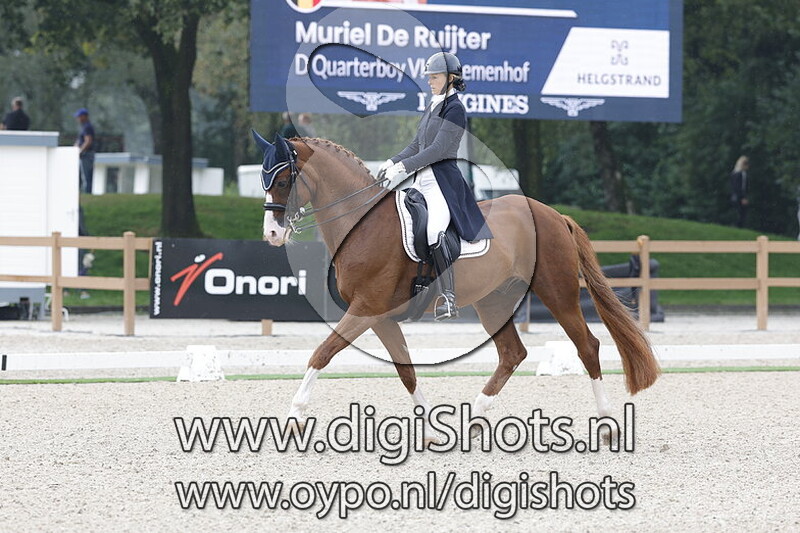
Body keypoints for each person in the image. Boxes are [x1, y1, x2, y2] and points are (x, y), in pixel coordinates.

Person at [378, 52, 493, 320]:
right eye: (429, 77)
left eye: (435, 77)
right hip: (421, 181)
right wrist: (392, 161)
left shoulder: (455, 109)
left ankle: (448, 297)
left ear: (451, 78)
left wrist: (403, 167)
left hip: (443, 182)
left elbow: (439, 150)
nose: (429, 81)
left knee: (434, 231)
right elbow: (417, 145)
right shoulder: (433, 105)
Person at [74, 108, 95, 194]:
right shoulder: (83, 127)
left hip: (86, 154)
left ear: (84, 116)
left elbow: (88, 141)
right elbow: (80, 140)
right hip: (83, 155)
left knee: (86, 176)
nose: (78, 118)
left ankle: (87, 194)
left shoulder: (87, 127)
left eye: (79, 116)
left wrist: (80, 151)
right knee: (81, 176)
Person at [730, 155, 749, 228]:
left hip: (735, 195)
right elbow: (740, 187)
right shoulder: (740, 174)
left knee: (739, 212)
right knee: (740, 213)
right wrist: (743, 197)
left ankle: (737, 226)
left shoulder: (735, 173)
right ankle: (737, 226)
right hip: (738, 196)